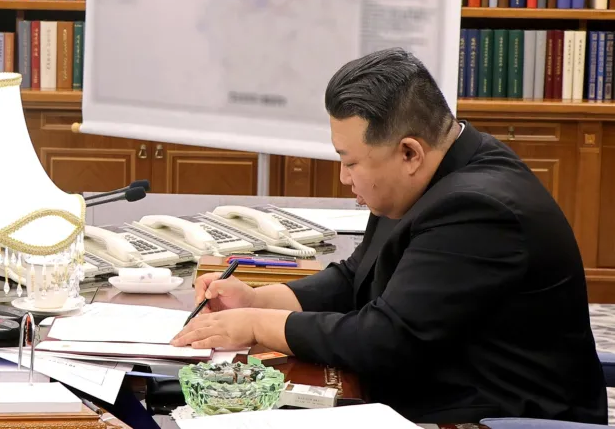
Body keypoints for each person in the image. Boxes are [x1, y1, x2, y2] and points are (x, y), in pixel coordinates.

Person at [172, 47, 608, 424]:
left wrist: (255, 326)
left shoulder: (478, 210)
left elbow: (384, 339)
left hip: (495, 415)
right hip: (437, 391)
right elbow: (356, 275)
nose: (344, 177)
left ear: (409, 152)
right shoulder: (435, 173)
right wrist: (259, 300)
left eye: (351, 162)